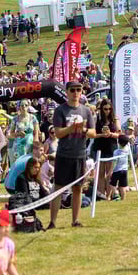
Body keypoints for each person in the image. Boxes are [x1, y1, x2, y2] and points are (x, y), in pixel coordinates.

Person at [49, 81, 96, 229]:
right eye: (73, 90)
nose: (76, 93)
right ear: (67, 92)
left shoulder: (86, 111)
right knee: (58, 188)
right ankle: (52, 222)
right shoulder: (60, 110)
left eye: (78, 90)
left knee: (78, 188)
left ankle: (75, 220)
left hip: (79, 154)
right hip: (64, 154)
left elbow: (93, 133)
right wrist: (71, 128)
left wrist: (82, 130)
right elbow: (57, 133)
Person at [94, 98, 121, 199]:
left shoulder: (115, 119)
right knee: (100, 173)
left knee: (109, 174)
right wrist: (102, 134)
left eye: (109, 109)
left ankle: (109, 196)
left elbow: (119, 134)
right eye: (105, 109)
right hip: (100, 147)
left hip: (111, 147)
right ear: (101, 109)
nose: (107, 111)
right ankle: (101, 195)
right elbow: (93, 134)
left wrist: (110, 134)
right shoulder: (97, 118)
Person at [110, 135, 132, 200]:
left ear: (118, 142)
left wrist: (110, 171)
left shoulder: (116, 152)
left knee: (112, 184)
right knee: (122, 186)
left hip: (117, 170)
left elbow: (114, 162)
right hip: (125, 170)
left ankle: (116, 193)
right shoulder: (127, 149)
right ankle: (123, 199)